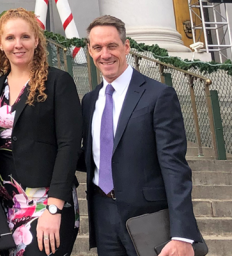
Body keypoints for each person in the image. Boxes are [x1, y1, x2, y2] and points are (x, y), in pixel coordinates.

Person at [81, 15, 202, 256]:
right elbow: (95, 156)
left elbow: (174, 166)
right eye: (97, 47)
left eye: (112, 46)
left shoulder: (159, 95)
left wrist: (182, 234)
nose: (105, 54)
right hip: (103, 213)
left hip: (149, 219)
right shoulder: (89, 101)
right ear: (90, 51)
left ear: (126, 47)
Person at [0, 8, 81, 256]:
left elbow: (69, 145)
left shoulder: (59, 82)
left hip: (46, 203)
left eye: (25, 37)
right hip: (5, 205)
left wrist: (54, 208)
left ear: (37, 40)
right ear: (0, 44)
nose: (18, 44)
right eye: (10, 38)